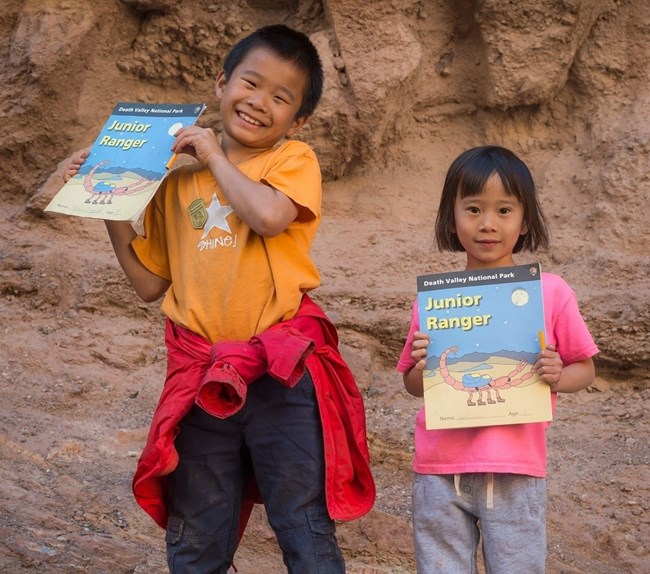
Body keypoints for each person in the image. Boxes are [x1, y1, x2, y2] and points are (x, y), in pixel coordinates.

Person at [64, 25, 374, 573]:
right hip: (202, 381)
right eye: (250, 84)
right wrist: (107, 198)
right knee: (197, 529)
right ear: (222, 82)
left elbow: (270, 217)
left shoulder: (292, 162)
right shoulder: (177, 185)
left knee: (301, 520)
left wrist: (211, 154)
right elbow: (148, 284)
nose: (259, 103)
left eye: (281, 98)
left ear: (297, 121)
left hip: (281, 379)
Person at [396, 145, 598, 574]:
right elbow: (415, 386)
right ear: (452, 218)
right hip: (438, 468)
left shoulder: (552, 292)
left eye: (504, 210)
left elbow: (585, 367)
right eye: (473, 209)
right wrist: (419, 366)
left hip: (515, 468)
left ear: (525, 222)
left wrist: (558, 375)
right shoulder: (436, 301)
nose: (487, 224)